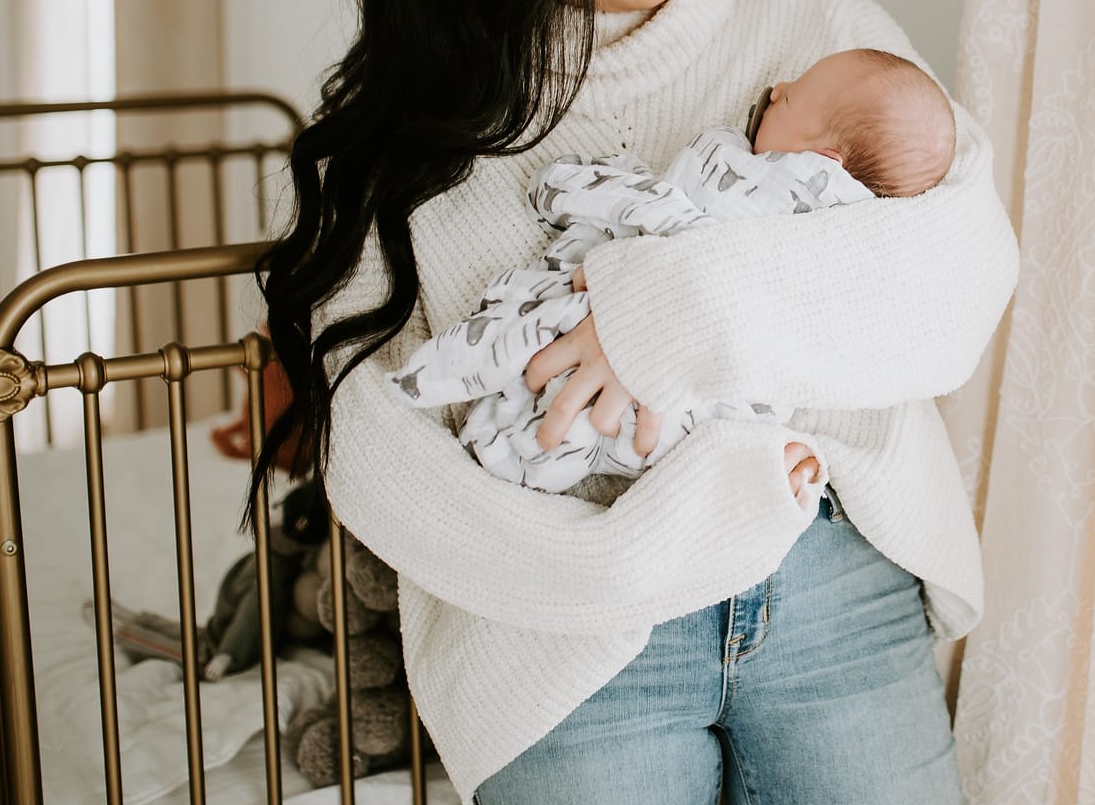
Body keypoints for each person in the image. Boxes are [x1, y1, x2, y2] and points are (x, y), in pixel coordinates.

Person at [250, 0, 1017, 805]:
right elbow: (374, 459)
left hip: (825, 569)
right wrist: (613, 570)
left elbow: (959, 279)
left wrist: (664, 317)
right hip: (563, 629)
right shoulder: (403, 136)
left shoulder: (806, 24)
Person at [385, 48, 958, 493]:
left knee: (546, 347)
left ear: (818, 165)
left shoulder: (787, 200)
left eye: (791, 99)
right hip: (717, 429)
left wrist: (662, 296)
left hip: (709, 381)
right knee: (593, 410)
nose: (776, 89)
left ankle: (487, 428)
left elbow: (662, 214)